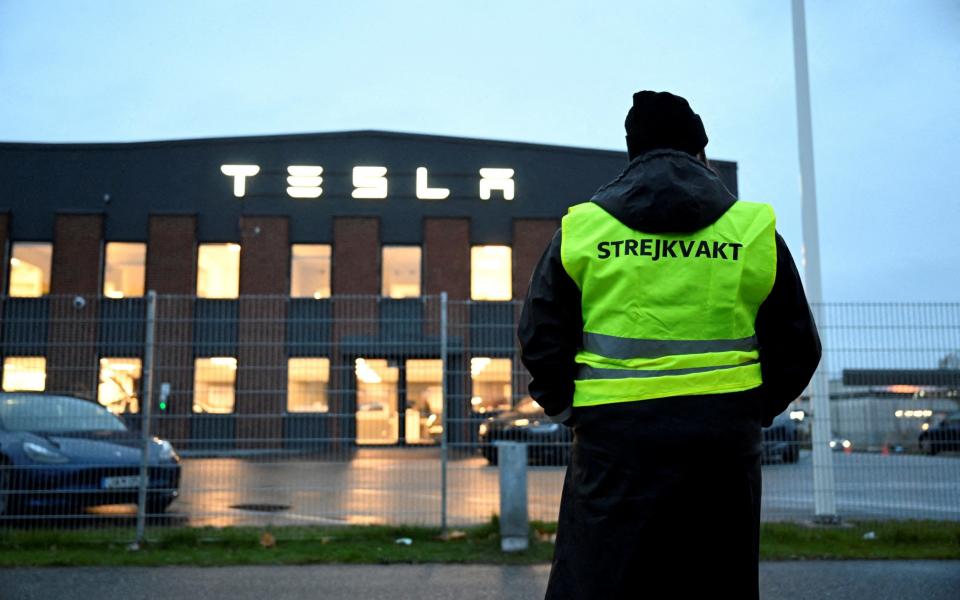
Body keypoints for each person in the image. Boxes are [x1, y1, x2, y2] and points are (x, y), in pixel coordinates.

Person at [517, 90, 821, 599]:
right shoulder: (751, 231)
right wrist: (751, 410)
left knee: (605, 580)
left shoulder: (584, 228)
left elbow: (540, 335)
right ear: (700, 152)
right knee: (711, 580)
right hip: (721, 446)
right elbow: (798, 346)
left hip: (614, 444)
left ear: (632, 152)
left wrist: (570, 409)